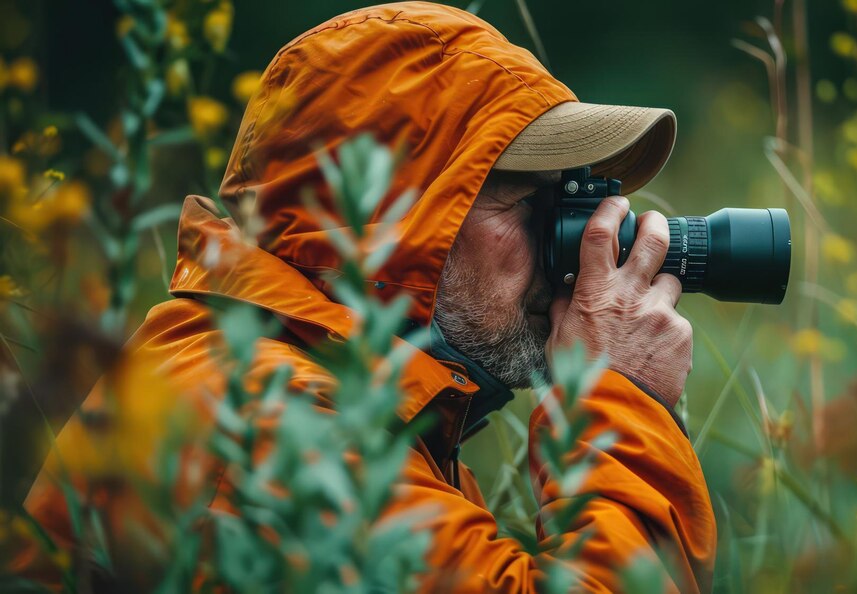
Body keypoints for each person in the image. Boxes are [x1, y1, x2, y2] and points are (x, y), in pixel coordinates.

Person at [14, 2, 716, 590]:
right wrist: (617, 395)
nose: (579, 248)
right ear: (396, 218)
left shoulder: (327, 402)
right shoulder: (269, 433)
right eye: (532, 203)